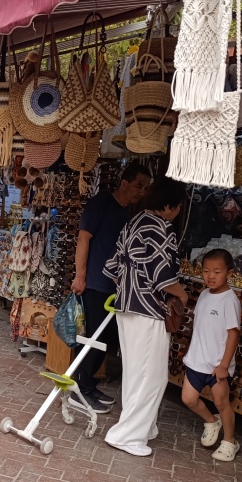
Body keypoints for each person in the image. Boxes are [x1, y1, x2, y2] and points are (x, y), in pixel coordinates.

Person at [102, 177, 188, 457]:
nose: (178, 212)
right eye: (178, 206)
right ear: (170, 205)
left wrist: (130, 288)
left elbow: (112, 268)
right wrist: (183, 295)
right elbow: (163, 276)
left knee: (135, 373)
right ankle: (127, 435)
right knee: (151, 377)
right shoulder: (161, 228)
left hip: (126, 307)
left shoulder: (133, 222)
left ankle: (143, 427)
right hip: (149, 310)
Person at [70, 162, 152, 413]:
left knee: (102, 339)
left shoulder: (126, 213)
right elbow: (83, 238)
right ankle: (77, 390)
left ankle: (88, 385)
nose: (141, 192)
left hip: (114, 287)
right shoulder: (101, 203)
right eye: (138, 185)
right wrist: (80, 276)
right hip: (95, 284)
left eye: (145, 188)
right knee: (90, 337)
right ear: (124, 183)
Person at [181, 249, 242, 462]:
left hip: (217, 365)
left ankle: (230, 441)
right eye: (206, 271)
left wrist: (224, 365)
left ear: (229, 274)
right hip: (196, 361)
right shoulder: (204, 295)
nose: (210, 276)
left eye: (217, 271)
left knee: (222, 403)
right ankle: (211, 421)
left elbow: (233, 334)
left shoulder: (230, 300)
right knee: (188, 399)